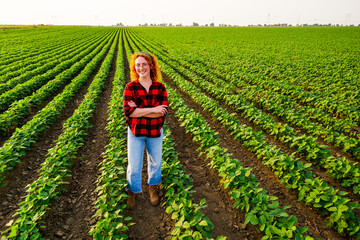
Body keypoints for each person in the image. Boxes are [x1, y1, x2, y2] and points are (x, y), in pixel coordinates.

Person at [123, 51, 168, 209]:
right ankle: (132, 191)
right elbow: (129, 112)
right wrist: (154, 109)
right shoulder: (130, 87)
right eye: (138, 65)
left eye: (144, 64)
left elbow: (162, 113)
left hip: (155, 131)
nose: (141, 67)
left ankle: (153, 188)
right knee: (134, 166)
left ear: (150, 66)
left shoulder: (160, 87)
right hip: (135, 132)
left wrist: (140, 110)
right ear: (134, 68)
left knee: (155, 163)